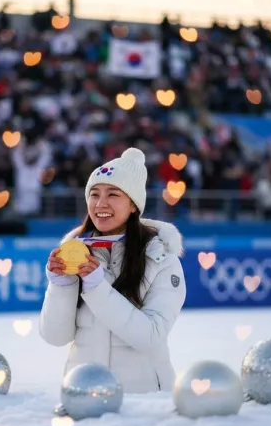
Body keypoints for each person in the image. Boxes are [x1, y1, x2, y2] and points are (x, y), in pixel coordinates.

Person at [38, 148, 187, 394]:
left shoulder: (162, 259)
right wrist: (61, 286)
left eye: (113, 194)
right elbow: (55, 337)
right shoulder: (76, 254)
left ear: (133, 205)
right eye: (94, 194)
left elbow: (149, 336)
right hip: (85, 395)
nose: (100, 203)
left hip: (145, 403)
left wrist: (97, 287)